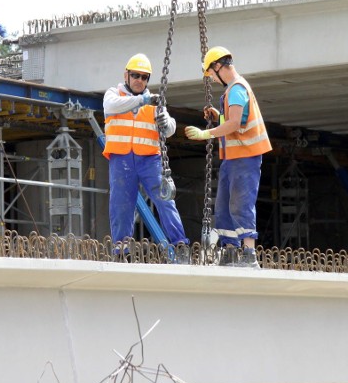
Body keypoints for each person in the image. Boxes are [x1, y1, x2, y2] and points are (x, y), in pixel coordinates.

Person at [184, 46, 272, 268]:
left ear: (219, 66)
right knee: (224, 206)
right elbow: (235, 120)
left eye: (211, 73)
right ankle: (230, 251)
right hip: (232, 158)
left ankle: (249, 254)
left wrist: (207, 133)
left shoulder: (237, 89)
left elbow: (233, 124)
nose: (212, 78)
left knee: (241, 204)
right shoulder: (233, 90)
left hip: (245, 157)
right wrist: (218, 115)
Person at [103, 53, 191, 263]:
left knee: (165, 200)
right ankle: (121, 250)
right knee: (121, 205)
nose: (139, 80)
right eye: (136, 75)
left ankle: (180, 245)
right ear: (126, 74)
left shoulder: (155, 103)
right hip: (122, 159)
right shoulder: (113, 95)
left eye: (144, 77)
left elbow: (170, 129)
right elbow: (110, 107)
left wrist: (164, 121)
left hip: (149, 160)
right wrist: (143, 100)